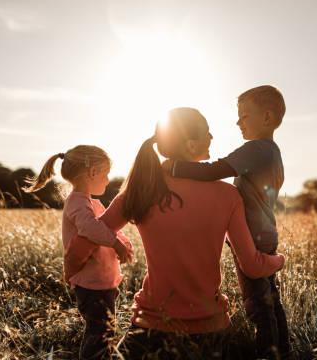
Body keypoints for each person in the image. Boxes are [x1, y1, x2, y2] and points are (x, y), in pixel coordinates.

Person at [67, 107, 285, 359]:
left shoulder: (140, 191)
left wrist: (71, 270)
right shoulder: (228, 195)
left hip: (149, 329)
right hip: (212, 332)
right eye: (206, 132)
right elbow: (253, 266)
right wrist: (280, 260)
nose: (212, 137)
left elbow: (85, 241)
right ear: (191, 145)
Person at [164, 85, 290, 359]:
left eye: (244, 116)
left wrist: (174, 167)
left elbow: (215, 170)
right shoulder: (272, 151)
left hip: (253, 238)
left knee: (259, 307)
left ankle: (268, 354)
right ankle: (284, 352)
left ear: (267, 118)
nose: (238, 121)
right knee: (271, 302)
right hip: (265, 235)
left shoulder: (256, 149)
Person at [24, 145, 134, 360]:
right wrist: (116, 244)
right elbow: (90, 228)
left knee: (106, 332)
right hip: (91, 285)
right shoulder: (77, 202)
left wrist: (122, 241)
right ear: (92, 172)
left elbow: (106, 227)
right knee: (99, 334)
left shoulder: (90, 202)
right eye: (106, 172)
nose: (108, 179)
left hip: (102, 282)